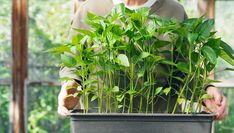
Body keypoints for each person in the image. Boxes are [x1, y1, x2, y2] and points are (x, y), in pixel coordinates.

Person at [58, 0, 228, 120]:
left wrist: (206, 91)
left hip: (162, 124)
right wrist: (71, 85)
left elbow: (183, 71)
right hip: (100, 123)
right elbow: (73, 62)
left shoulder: (174, 11)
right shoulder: (91, 9)